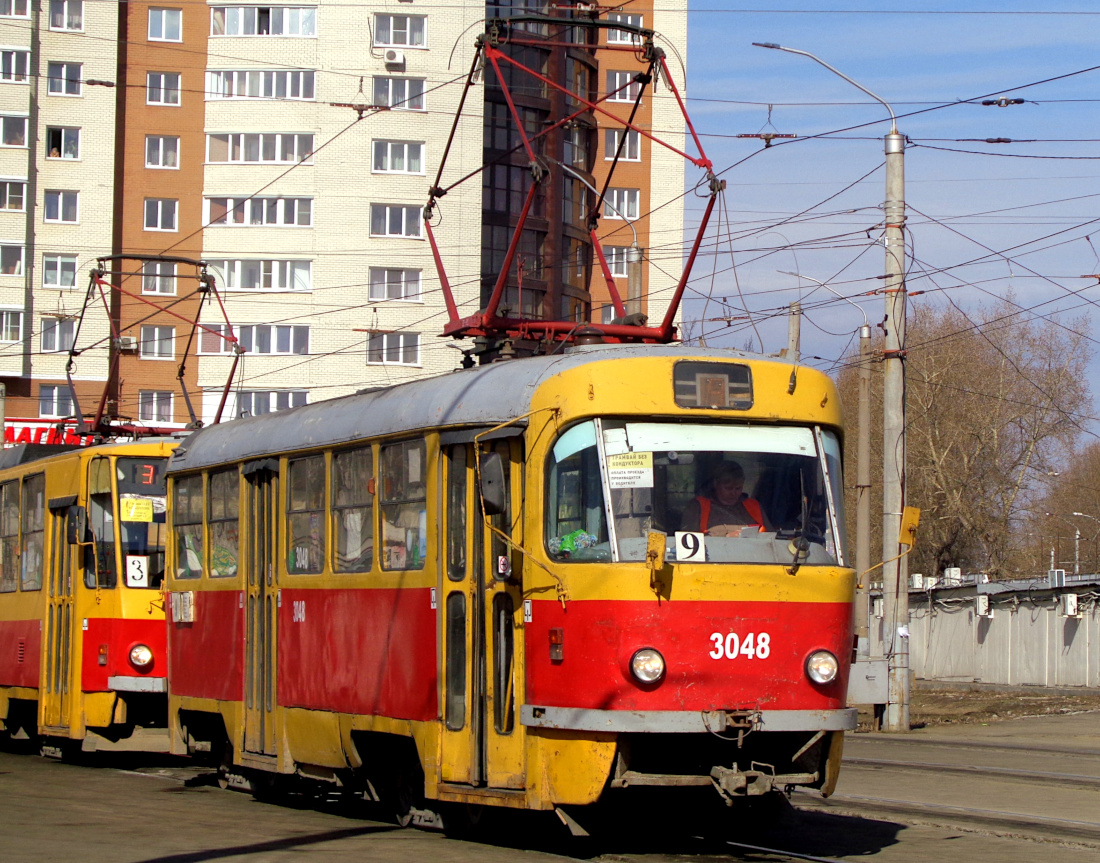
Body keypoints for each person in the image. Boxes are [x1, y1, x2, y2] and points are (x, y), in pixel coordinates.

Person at [681, 460, 771, 536]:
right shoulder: (698, 506)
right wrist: (725, 538)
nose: (733, 493)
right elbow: (687, 542)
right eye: (728, 488)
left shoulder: (754, 506)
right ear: (716, 484)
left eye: (738, 488)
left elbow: (770, 536)